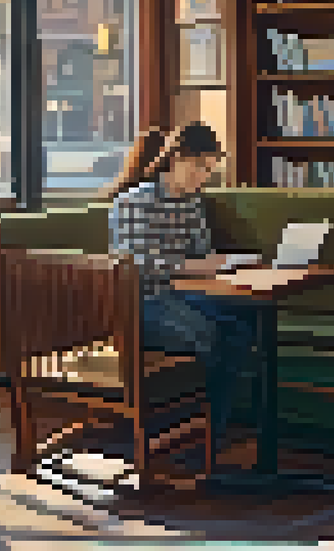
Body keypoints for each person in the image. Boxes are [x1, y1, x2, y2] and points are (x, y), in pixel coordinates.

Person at [108, 122, 255, 456]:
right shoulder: (134, 202)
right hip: (140, 302)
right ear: (176, 158)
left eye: (209, 169)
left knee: (243, 327)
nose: (203, 176)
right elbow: (139, 265)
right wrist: (200, 264)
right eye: (199, 167)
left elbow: (200, 252)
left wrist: (226, 262)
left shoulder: (191, 202)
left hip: (181, 295)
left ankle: (209, 436)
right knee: (212, 334)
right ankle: (188, 437)